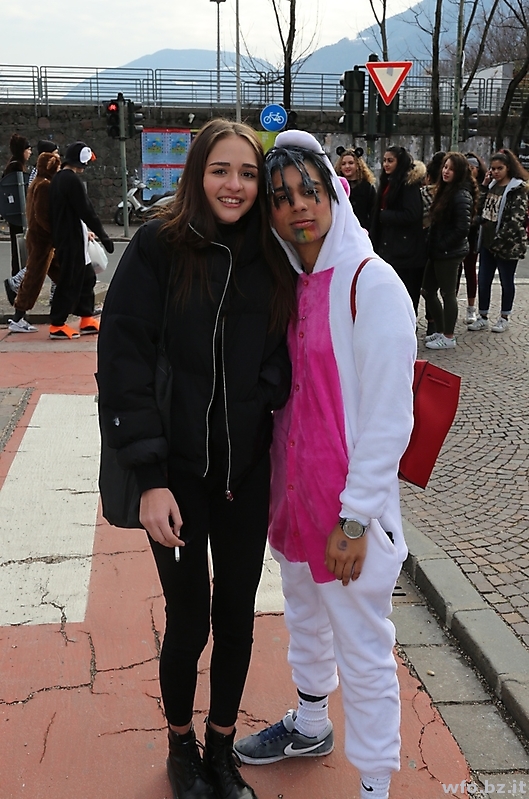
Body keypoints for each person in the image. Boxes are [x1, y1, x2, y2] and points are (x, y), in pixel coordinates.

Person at [97, 118, 296, 799]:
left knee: (237, 615)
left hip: (244, 474)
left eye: (247, 173)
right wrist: (149, 480)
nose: (234, 185)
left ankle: (220, 747)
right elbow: (122, 362)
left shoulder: (270, 254)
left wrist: (263, 391)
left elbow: (286, 347)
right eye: (220, 170)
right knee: (189, 619)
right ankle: (180, 744)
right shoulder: (158, 245)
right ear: (196, 175)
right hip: (177, 477)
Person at [233, 131, 416, 799]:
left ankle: (374, 785)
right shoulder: (293, 282)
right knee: (305, 621)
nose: (298, 207)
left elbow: (390, 418)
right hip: (295, 501)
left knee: (364, 650)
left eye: (309, 190)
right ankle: (310, 723)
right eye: (281, 198)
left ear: (336, 192)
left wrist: (356, 519)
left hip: (347, 515)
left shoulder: (373, 283)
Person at [48, 141, 114, 339]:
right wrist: (103, 235)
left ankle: (86, 317)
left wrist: (86, 232)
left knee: (87, 278)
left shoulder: (59, 178)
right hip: (71, 240)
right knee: (69, 280)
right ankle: (57, 324)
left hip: (70, 237)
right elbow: (86, 210)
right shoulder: (71, 180)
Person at [468, 148, 529, 333]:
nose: (495, 172)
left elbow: (515, 221)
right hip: (487, 242)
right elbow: (480, 208)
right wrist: (484, 186)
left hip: (506, 245)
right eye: (493, 168)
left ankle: (504, 317)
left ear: (508, 168)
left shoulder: (517, 189)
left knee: (506, 281)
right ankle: (483, 316)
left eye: (499, 168)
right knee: (484, 280)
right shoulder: (492, 185)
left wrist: (499, 241)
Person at [422, 152, 477, 349]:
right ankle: (440, 329)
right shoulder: (445, 190)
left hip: (449, 253)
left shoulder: (461, 195)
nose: (446, 171)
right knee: (427, 290)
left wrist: (443, 245)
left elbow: (462, 228)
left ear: (459, 172)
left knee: (447, 293)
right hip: (438, 250)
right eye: (445, 167)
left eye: (451, 169)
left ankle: (448, 335)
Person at [7, 151, 61, 333]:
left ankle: (77, 307)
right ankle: (18, 317)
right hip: (42, 240)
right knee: (33, 279)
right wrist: (56, 235)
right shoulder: (45, 185)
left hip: (39, 238)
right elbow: (43, 215)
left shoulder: (37, 182)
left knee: (62, 275)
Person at [370, 145, 426, 315]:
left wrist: (385, 215)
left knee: (406, 292)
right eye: (384, 160)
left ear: (399, 162)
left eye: (390, 161)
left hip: (405, 249)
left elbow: (412, 214)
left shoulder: (407, 185)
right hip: (389, 246)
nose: (386, 164)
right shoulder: (388, 182)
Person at [460, 153, 487, 324]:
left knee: (470, 270)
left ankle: (471, 308)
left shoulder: (482, 186)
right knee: (455, 273)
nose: (470, 171)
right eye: (467, 168)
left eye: (472, 168)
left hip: (473, 234)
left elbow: (482, 211)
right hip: (459, 234)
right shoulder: (459, 185)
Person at [2, 133, 31, 275]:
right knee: (21, 250)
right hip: (20, 215)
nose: (30, 152)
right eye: (28, 149)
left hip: (16, 215)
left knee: (18, 249)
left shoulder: (13, 165)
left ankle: (19, 277)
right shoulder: (16, 167)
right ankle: (19, 278)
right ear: (22, 150)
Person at [334, 146, 376, 229]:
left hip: (362, 229)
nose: (347, 166)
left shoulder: (367, 187)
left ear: (357, 165)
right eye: (343, 164)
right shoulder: (336, 186)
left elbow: (373, 212)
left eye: (351, 163)